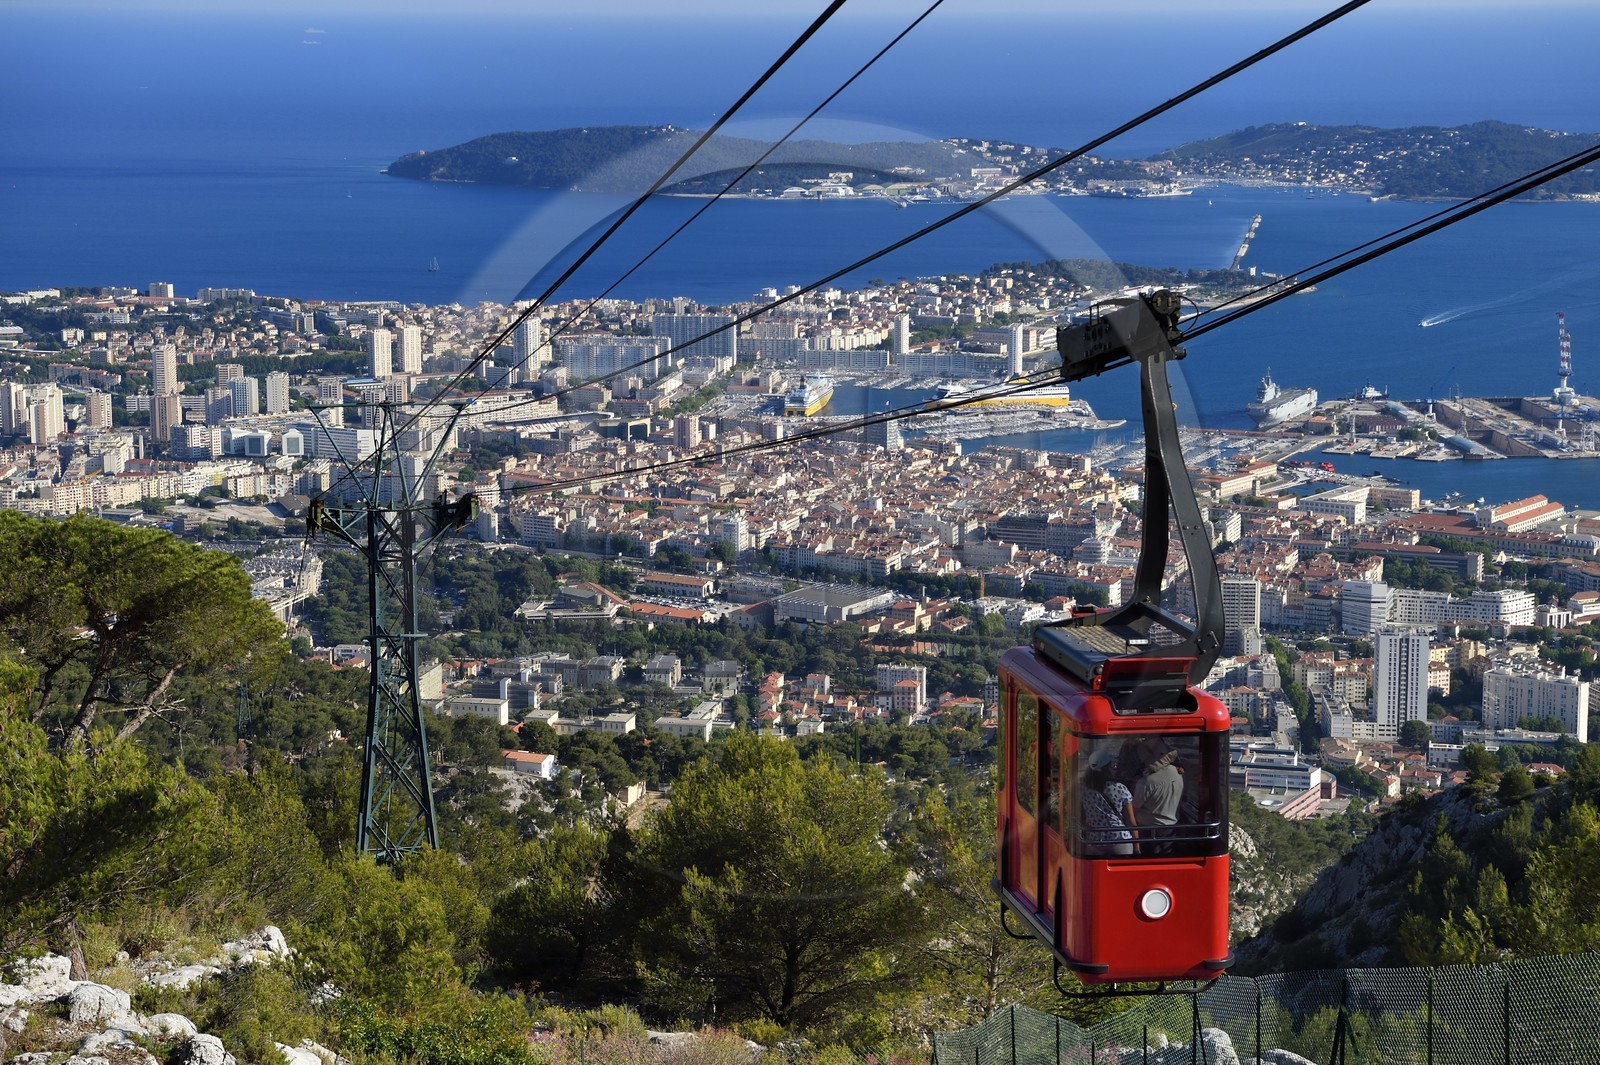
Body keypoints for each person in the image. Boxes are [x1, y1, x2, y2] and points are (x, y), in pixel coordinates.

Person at [1131, 736, 1183, 854]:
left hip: (1148, 830)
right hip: (1171, 828)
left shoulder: (1147, 781)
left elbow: (1134, 808)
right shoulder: (1179, 774)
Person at [1080, 746, 1135, 856]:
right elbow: (1131, 821)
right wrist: (1137, 846)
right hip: (1119, 840)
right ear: (1107, 768)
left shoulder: (1084, 789)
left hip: (1094, 841)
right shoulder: (1119, 788)